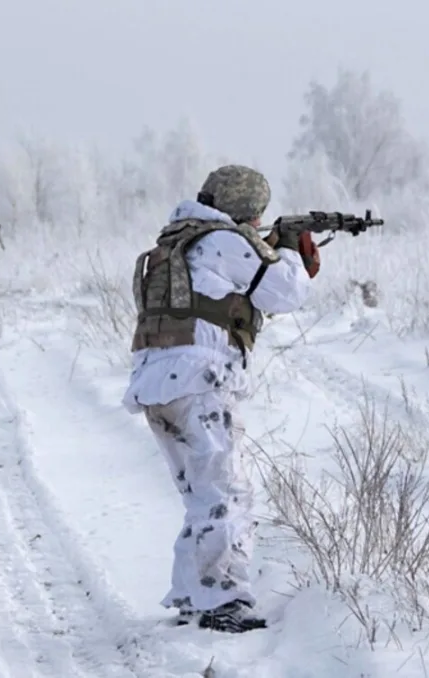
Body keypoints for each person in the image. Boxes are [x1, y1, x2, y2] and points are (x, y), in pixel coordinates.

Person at [123, 164, 320, 633]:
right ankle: (222, 603)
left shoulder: (176, 241)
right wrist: (291, 251)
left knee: (201, 497)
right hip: (198, 380)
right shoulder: (223, 241)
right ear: (247, 209)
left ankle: (194, 596)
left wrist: (273, 246)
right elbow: (285, 293)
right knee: (226, 495)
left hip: (159, 382)